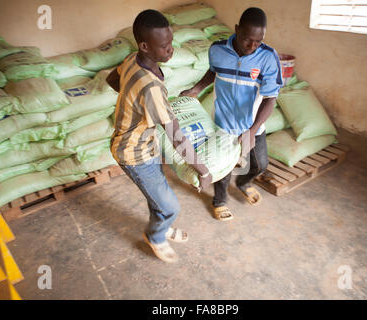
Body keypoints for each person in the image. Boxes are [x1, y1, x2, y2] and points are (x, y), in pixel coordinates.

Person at [106, 9, 212, 263]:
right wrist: (204, 171)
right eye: (164, 46)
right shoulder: (151, 87)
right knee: (170, 205)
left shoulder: (133, 59)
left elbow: (112, 79)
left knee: (158, 195)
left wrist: (131, 102)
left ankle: (161, 227)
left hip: (146, 145)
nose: (170, 50)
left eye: (171, 42)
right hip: (133, 153)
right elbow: (176, 136)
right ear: (144, 46)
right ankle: (155, 237)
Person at [181, 7, 282, 221]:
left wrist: (253, 131)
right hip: (223, 123)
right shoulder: (218, 50)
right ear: (236, 30)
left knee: (260, 164)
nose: (252, 46)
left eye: (258, 41)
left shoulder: (268, 57)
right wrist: (196, 89)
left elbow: (270, 98)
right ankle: (219, 200)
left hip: (252, 125)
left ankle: (244, 183)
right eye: (247, 40)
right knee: (223, 166)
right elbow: (213, 71)